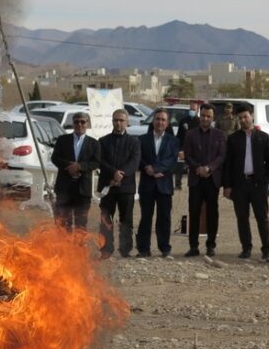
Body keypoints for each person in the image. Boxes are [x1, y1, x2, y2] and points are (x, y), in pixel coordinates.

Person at [222, 106, 269, 260]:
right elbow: (228, 165)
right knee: (242, 218)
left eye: (245, 116)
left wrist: (265, 181)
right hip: (239, 185)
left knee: (262, 217)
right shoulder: (233, 139)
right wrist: (227, 186)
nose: (243, 120)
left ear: (251, 116)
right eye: (240, 118)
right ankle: (246, 248)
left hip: (258, 184)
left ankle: (266, 250)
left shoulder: (263, 137)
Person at [97, 109, 141, 259]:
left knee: (126, 220)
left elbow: (135, 162)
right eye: (116, 120)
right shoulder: (103, 141)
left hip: (126, 187)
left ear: (127, 122)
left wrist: (121, 174)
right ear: (112, 121)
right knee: (105, 219)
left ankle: (125, 249)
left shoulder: (134, 142)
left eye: (121, 120)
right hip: (107, 186)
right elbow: (100, 161)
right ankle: (106, 249)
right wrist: (113, 173)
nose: (118, 123)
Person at [182, 104, 225, 257]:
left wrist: (208, 168)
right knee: (194, 211)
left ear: (213, 118)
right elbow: (187, 155)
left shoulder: (220, 135)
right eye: (203, 116)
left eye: (208, 116)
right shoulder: (191, 134)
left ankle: (211, 245)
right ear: (200, 116)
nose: (205, 119)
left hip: (212, 179)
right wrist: (198, 168)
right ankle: (193, 246)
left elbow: (221, 157)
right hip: (196, 179)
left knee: (212, 213)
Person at [137, 108, 180, 258]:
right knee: (145, 218)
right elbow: (139, 158)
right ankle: (143, 249)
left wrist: (154, 169)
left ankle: (164, 248)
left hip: (164, 185)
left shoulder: (173, 141)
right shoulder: (142, 139)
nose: (160, 122)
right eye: (157, 119)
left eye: (163, 120)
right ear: (153, 121)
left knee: (164, 219)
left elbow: (171, 160)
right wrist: (146, 168)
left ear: (167, 123)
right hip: (147, 185)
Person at [50, 112, 101, 231]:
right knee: (63, 224)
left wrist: (80, 166)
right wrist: (69, 166)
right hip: (64, 189)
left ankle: (79, 249)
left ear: (87, 124)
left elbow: (96, 162)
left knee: (81, 226)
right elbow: (55, 158)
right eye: (76, 122)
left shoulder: (94, 143)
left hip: (83, 190)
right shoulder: (63, 139)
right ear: (72, 124)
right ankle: (64, 249)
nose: (79, 124)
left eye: (83, 122)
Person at [174, 104, 200, 190]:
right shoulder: (183, 120)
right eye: (191, 109)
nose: (192, 111)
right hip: (182, 147)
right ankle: (178, 184)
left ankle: (194, 185)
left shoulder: (199, 122)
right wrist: (178, 148)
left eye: (194, 109)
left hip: (194, 149)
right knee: (179, 166)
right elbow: (178, 135)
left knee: (194, 166)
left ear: (197, 111)